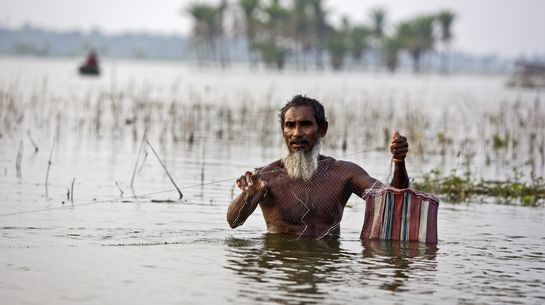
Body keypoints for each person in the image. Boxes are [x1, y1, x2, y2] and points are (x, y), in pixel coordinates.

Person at [227, 95, 409, 238]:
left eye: (305, 124)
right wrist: (248, 194)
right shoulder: (266, 176)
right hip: (281, 268)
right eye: (290, 125)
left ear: (322, 129)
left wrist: (399, 162)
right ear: (283, 130)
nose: (297, 133)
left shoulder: (344, 173)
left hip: (326, 268)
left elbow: (394, 203)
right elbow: (233, 222)